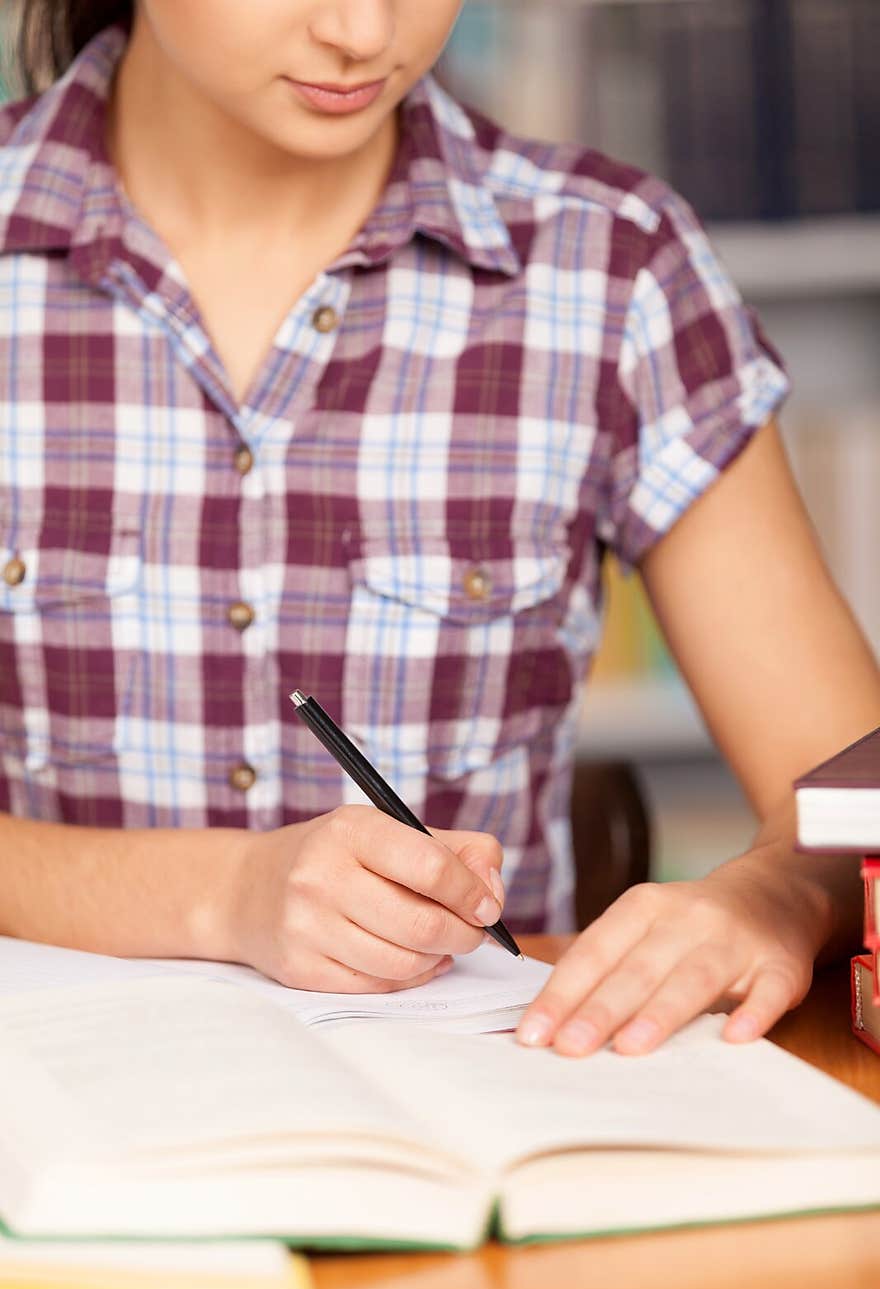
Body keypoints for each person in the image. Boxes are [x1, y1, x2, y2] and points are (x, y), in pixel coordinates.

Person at [1, 2, 877, 1059]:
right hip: (62, 1105)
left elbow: (849, 793)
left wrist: (774, 899)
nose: (365, 32)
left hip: (492, 1101)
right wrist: (221, 894)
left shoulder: (608, 265)